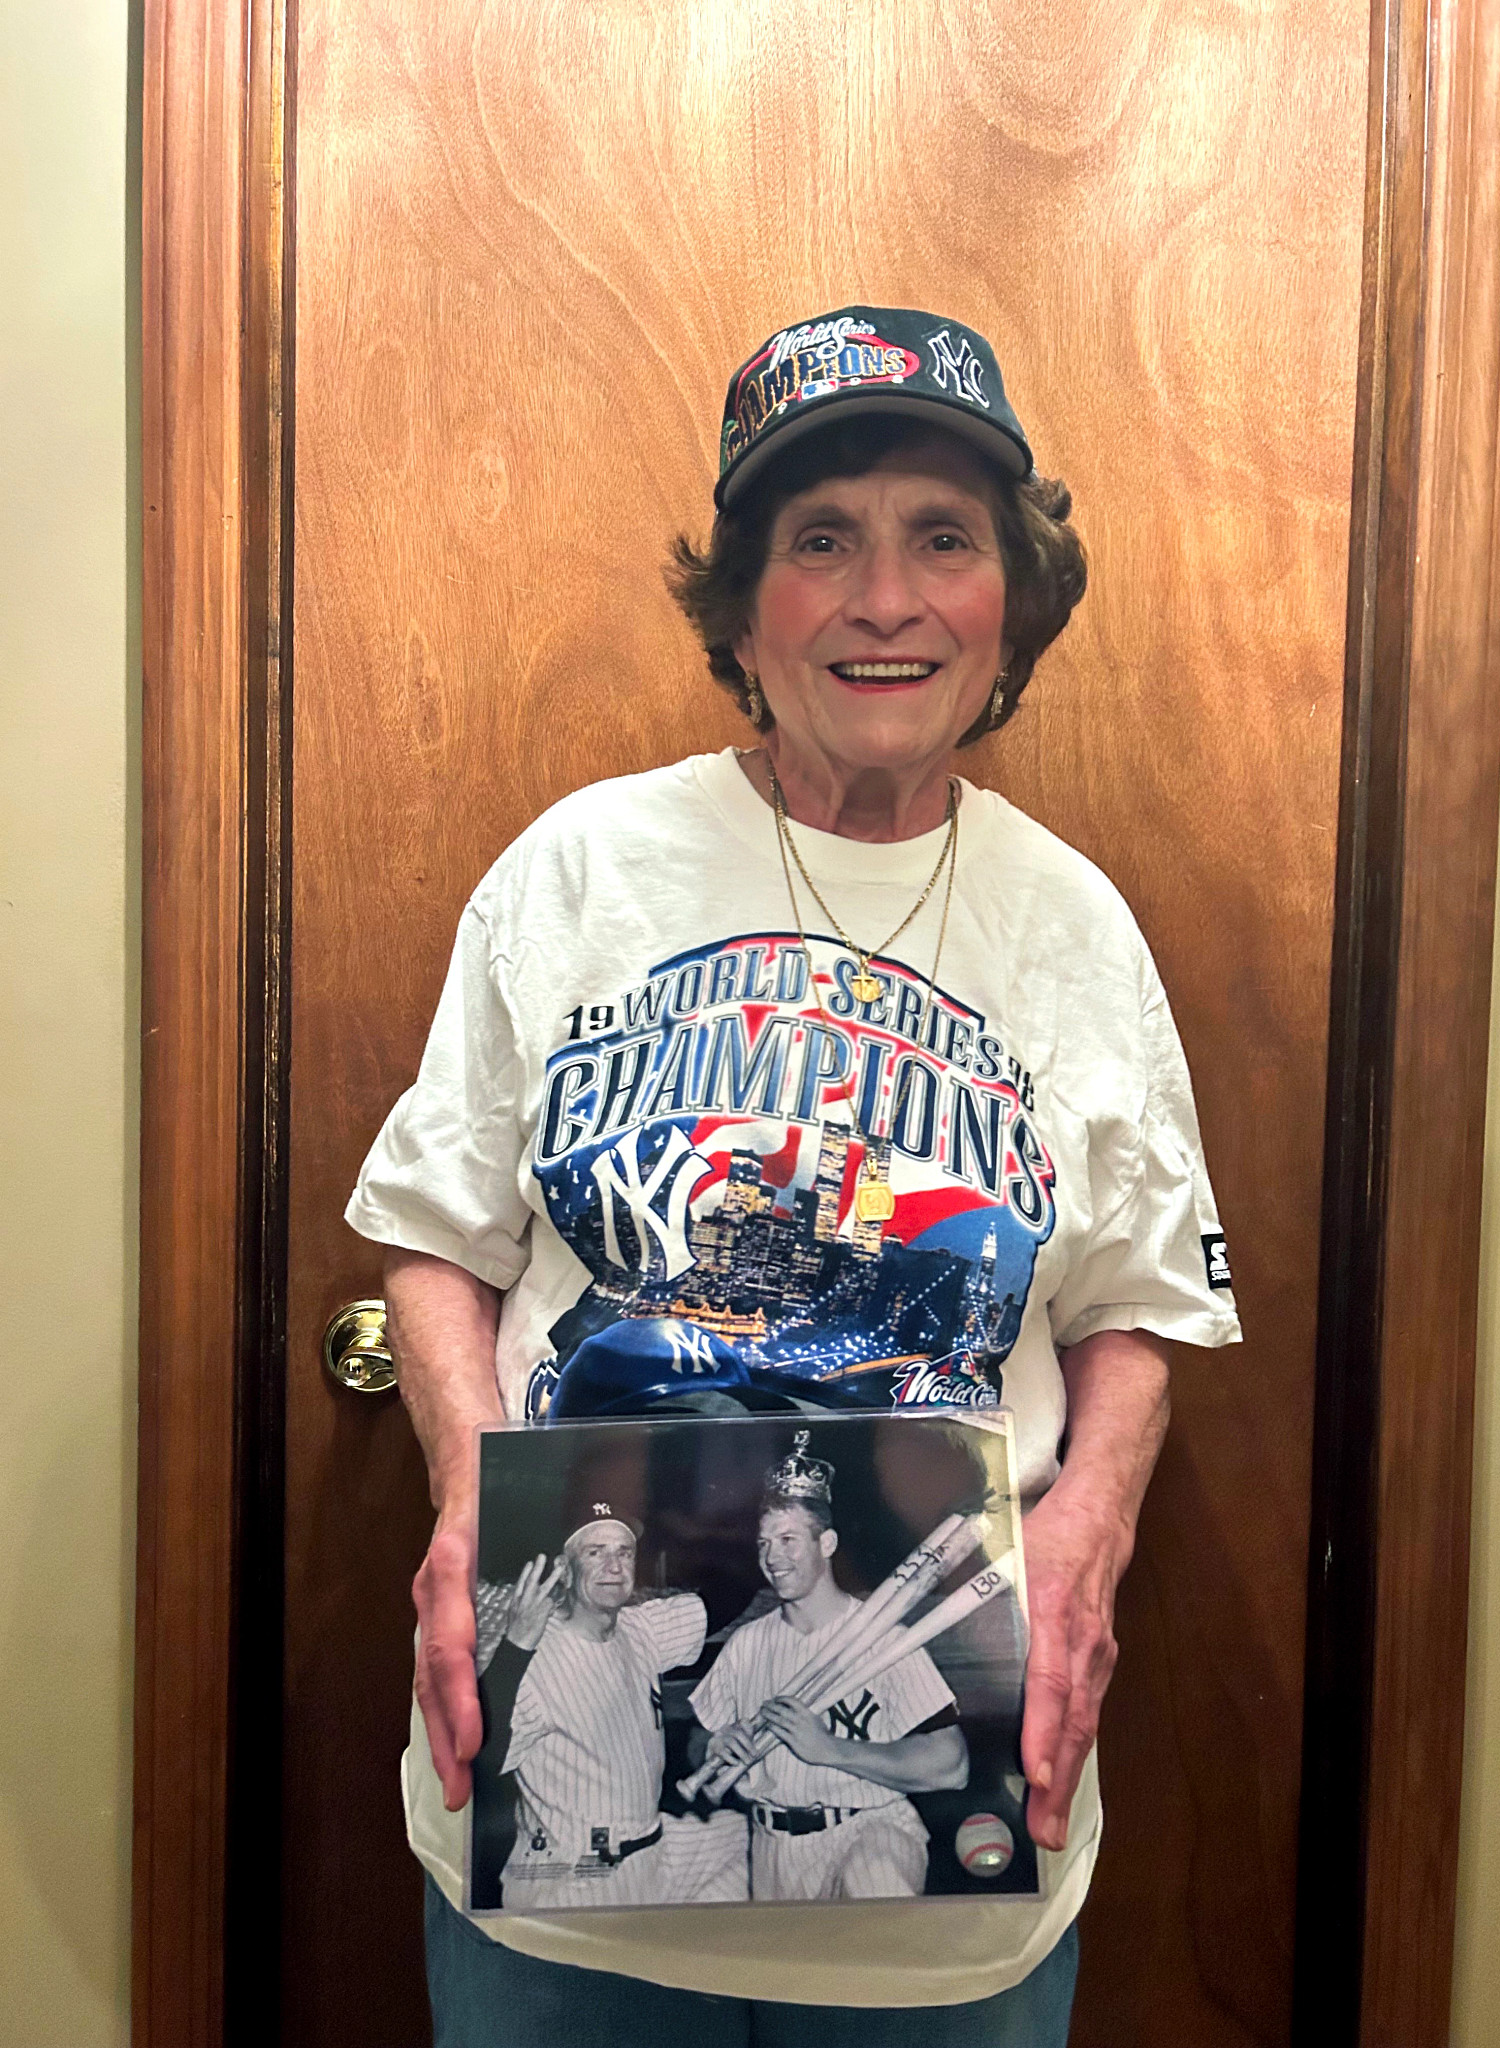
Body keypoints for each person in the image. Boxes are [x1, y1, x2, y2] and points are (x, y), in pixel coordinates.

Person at [347, 304, 1242, 2046]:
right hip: (559, 1852)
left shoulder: (1074, 927)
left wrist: (1089, 1536)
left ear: (1010, 601)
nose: (884, 598)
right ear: (743, 606)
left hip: (947, 1868)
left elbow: (1139, 1297)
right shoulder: (580, 869)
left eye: (942, 538)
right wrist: (467, 1503)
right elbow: (434, 1238)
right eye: (819, 539)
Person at [690, 1434, 967, 1901]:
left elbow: (951, 1763)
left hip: (869, 1829)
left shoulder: (884, 1636)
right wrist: (714, 1743)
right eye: (764, 1543)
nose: (773, 1558)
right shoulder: (746, 1645)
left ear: (827, 1543)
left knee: (875, 1894)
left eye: (789, 1540)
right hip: (773, 1847)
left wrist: (831, 1750)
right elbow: (700, 1738)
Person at [475, 1504, 747, 1909]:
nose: (614, 1566)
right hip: (581, 1876)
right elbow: (480, 1759)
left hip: (656, 1850)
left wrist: (754, 1518)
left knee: (736, 1836)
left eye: (624, 1552)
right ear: (564, 1571)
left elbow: (723, 1602)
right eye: (595, 1552)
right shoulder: (534, 1656)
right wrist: (516, 1646)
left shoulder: (640, 1628)